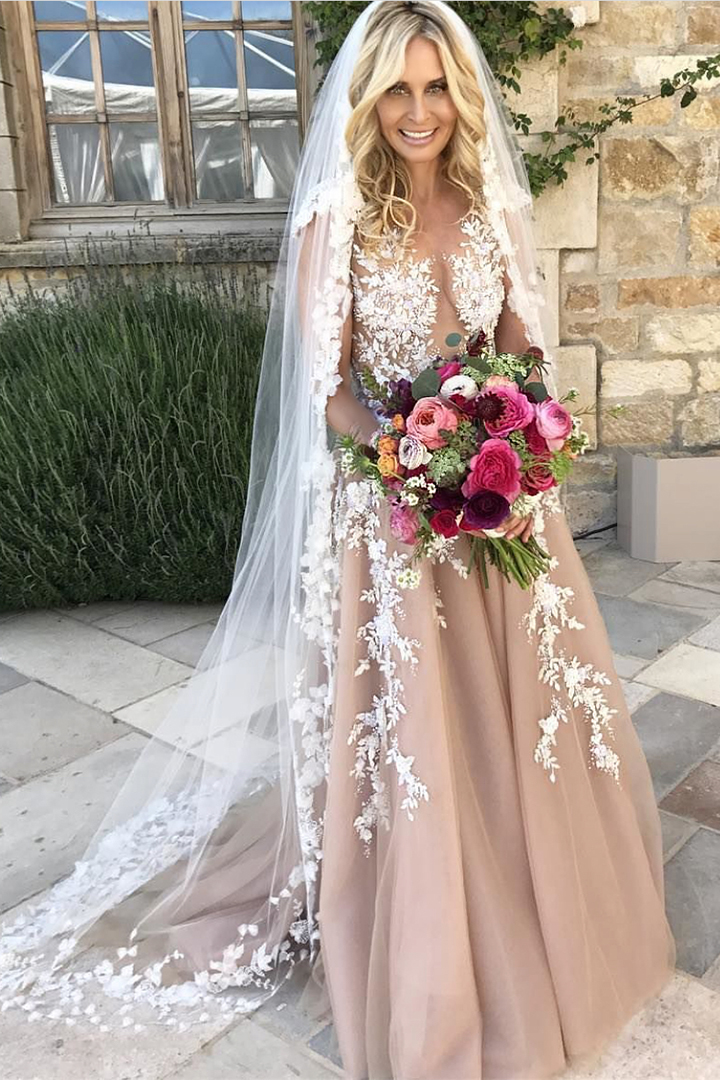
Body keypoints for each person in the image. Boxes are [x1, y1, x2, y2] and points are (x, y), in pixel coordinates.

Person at [0, 3, 675, 1078]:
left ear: (461, 95)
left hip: (501, 505)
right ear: (369, 101)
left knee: (522, 710)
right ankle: (429, 928)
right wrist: (410, 455)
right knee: (423, 727)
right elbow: (330, 388)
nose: (419, 111)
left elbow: (521, 350)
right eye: (398, 89)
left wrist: (512, 429)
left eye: (436, 87)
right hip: (394, 506)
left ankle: (535, 892)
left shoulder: (495, 205)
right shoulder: (341, 217)